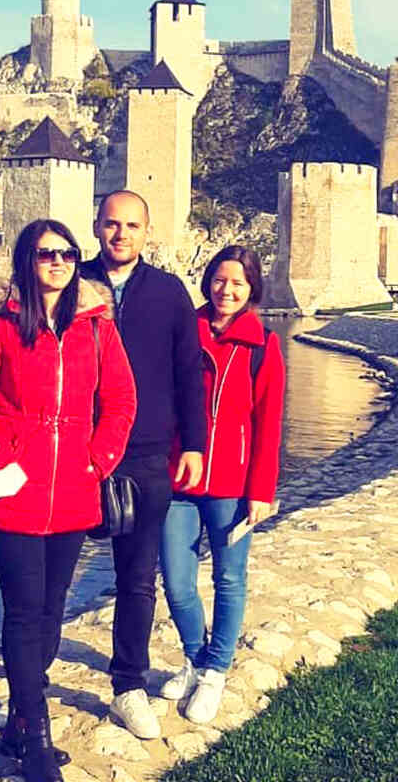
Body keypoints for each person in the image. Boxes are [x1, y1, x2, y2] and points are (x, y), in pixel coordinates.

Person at [0, 219, 136, 781]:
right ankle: (36, 738)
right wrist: (2, 458)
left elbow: (122, 401)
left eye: (67, 253)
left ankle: (15, 720)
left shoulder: (96, 328)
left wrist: (98, 460)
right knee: (26, 611)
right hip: (11, 494)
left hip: (74, 494)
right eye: (44, 254)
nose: (57, 262)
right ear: (26, 262)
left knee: (52, 615)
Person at [78, 191, 207, 739]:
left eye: (132, 225)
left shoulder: (168, 293)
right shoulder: (70, 281)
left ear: (147, 232)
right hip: (75, 454)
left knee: (136, 580)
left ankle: (127, 686)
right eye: (112, 224)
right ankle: (27, 692)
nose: (121, 234)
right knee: (50, 578)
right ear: (96, 226)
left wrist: (194, 445)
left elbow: (187, 373)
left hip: (147, 452)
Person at [158, 245, 285, 724]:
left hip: (233, 483)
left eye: (237, 282)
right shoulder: (182, 335)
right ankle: (194, 657)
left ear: (251, 288)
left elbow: (268, 423)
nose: (226, 290)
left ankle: (216, 670)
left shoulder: (263, 345)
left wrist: (263, 489)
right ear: (207, 280)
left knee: (229, 579)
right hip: (179, 478)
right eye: (218, 279)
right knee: (176, 580)